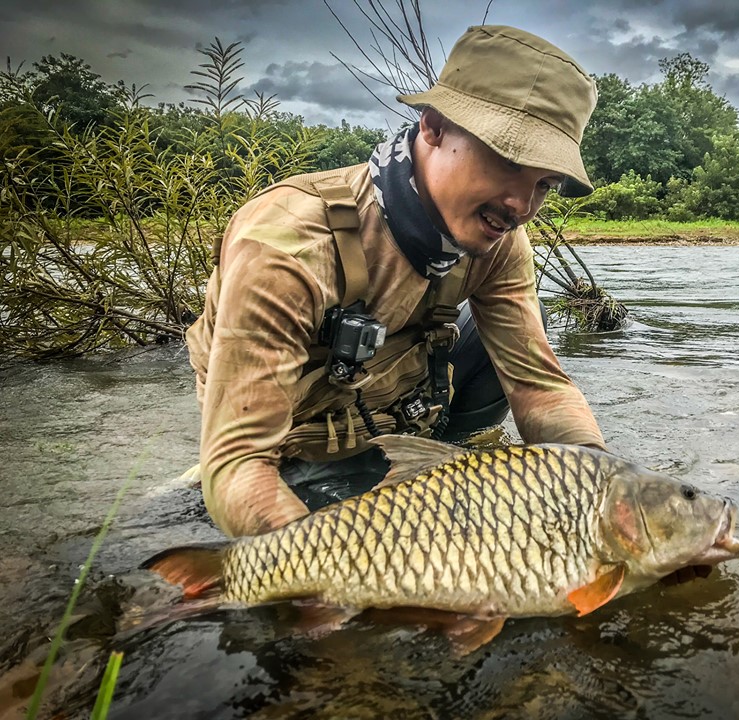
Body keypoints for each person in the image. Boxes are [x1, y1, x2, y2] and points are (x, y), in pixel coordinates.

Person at [185, 24, 606, 538]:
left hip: (404, 415)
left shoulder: (497, 237)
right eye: (509, 161)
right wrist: (315, 569)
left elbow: (538, 388)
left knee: (503, 343)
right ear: (433, 127)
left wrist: (606, 493)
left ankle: (440, 462)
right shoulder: (288, 241)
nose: (521, 206)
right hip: (287, 441)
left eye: (544, 183)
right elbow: (241, 460)